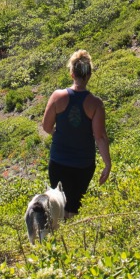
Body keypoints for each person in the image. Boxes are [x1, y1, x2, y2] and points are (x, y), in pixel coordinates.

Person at [40, 49, 111, 216]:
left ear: (72, 73)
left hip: (58, 161)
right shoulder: (96, 104)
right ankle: (74, 238)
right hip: (83, 165)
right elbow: (100, 137)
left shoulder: (58, 97)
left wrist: (59, 133)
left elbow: (46, 127)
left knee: (59, 206)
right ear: (89, 75)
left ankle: (58, 237)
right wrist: (107, 164)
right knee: (74, 207)